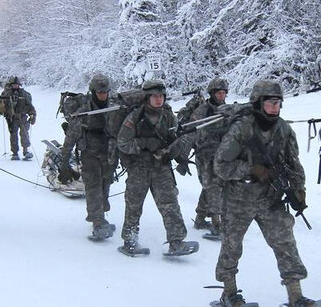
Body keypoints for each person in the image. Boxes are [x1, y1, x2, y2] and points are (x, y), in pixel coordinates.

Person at [213, 79, 319, 307]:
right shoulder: (241, 128)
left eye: (278, 102)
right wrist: (250, 170)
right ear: (258, 102)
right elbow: (220, 166)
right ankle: (228, 292)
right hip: (239, 199)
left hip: (271, 198)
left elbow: (294, 163)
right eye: (271, 102)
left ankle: (296, 297)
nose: (275, 107)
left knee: (285, 243)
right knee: (232, 245)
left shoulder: (283, 129)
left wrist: (299, 189)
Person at [115, 79, 197, 256]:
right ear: (147, 98)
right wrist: (144, 144)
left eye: (161, 96)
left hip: (161, 167)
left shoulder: (168, 116)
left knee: (170, 204)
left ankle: (176, 242)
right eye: (155, 96)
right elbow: (122, 143)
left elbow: (174, 138)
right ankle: (129, 241)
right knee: (134, 205)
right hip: (139, 168)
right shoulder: (135, 117)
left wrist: (175, 152)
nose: (159, 99)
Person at [59, 73, 118, 239]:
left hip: (109, 152)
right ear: (93, 92)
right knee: (93, 186)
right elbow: (71, 137)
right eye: (99, 92)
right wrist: (64, 162)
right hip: (89, 152)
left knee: (106, 184)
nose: (102, 95)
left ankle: (101, 216)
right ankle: (97, 221)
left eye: (105, 92)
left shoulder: (114, 107)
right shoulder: (83, 111)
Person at [189, 77, 231, 239]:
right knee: (213, 186)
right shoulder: (202, 111)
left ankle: (200, 218)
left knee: (212, 185)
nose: (221, 96)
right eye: (218, 93)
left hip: (222, 155)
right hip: (205, 155)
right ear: (212, 93)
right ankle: (216, 223)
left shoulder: (228, 109)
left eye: (223, 93)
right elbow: (191, 131)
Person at [0, 76, 36, 160]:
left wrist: (32, 115)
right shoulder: (6, 94)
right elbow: (1, 107)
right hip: (12, 118)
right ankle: (15, 153)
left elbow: (30, 106)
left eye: (16, 84)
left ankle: (26, 151)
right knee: (13, 135)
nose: (15, 86)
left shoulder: (24, 94)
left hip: (22, 117)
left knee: (24, 134)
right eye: (13, 84)